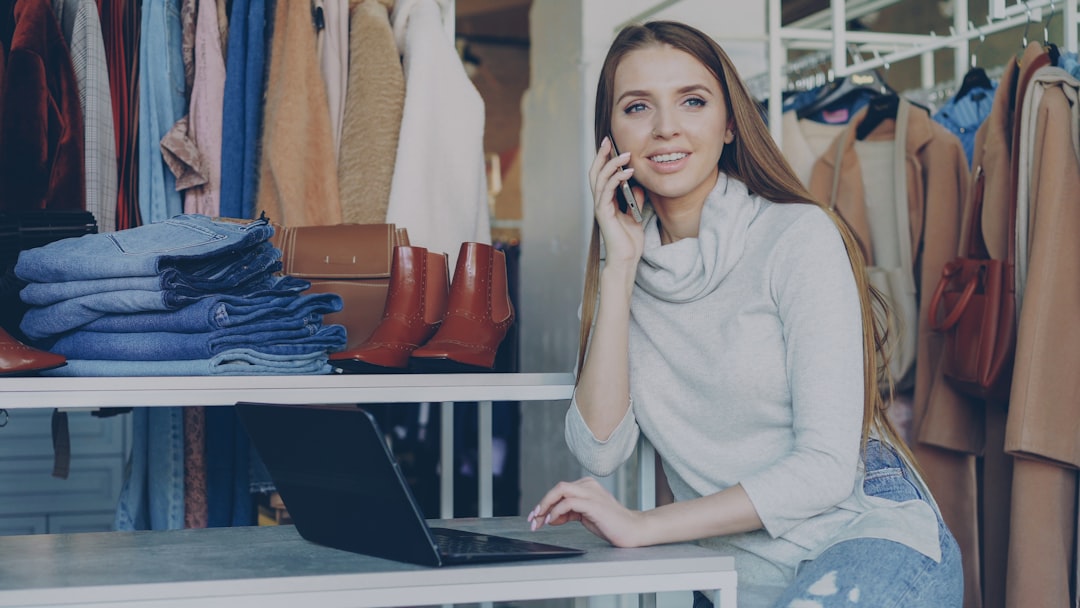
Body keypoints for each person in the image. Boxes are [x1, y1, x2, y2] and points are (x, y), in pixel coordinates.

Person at [526, 21, 963, 608]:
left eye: (692, 100)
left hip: (864, 541)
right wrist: (620, 266)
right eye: (636, 107)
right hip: (739, 574)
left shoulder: (796, 236)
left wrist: (644, 524)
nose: (665, 128)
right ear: (610, 136)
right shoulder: (621, 272)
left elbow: (825, 471)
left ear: (730, 123)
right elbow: (601, 450)